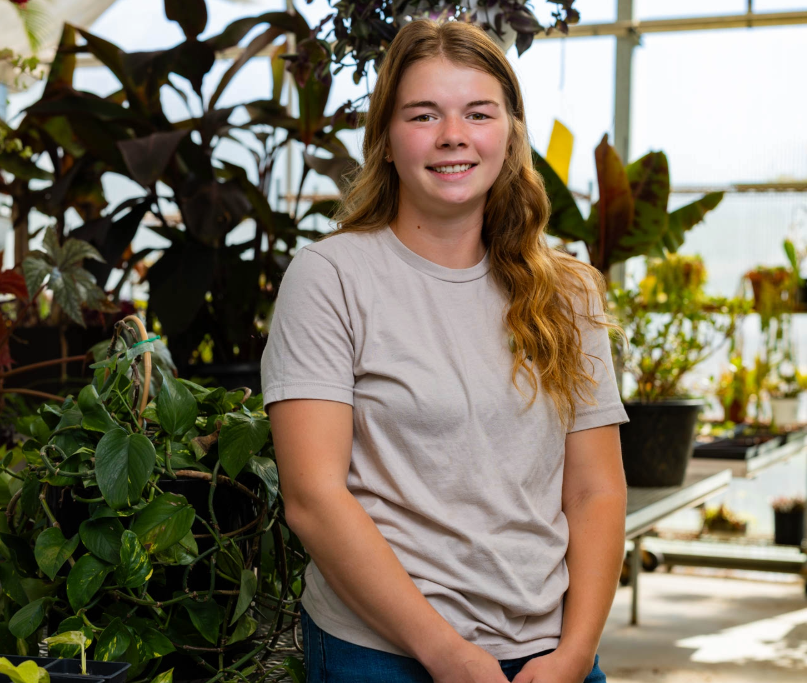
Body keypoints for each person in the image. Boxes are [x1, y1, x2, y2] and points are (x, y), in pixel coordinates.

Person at [261, 19, 628, 683]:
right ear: (387, 139)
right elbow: (313, 495)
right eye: (423, 114)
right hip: (382, 649)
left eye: (478, 113)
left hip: (550, 653)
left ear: (512, 134)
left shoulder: (570, 292)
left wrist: (575, 652)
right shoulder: (331, 277)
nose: (453, 135)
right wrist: (448, 654)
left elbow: (596, 489)